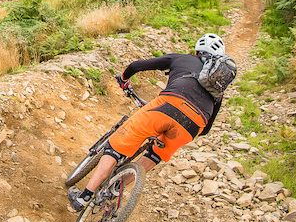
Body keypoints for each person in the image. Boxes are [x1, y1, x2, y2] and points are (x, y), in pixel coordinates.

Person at [68, 33, 231, 212]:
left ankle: (83, 198)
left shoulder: (182, 58)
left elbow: (137, 65)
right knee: (155, 154)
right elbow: (206, 129)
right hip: (193, 125)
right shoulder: (218, 89)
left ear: (196, 51)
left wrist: (124, 79)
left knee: (115, 146)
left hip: (169, 105)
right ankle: (116, 189)